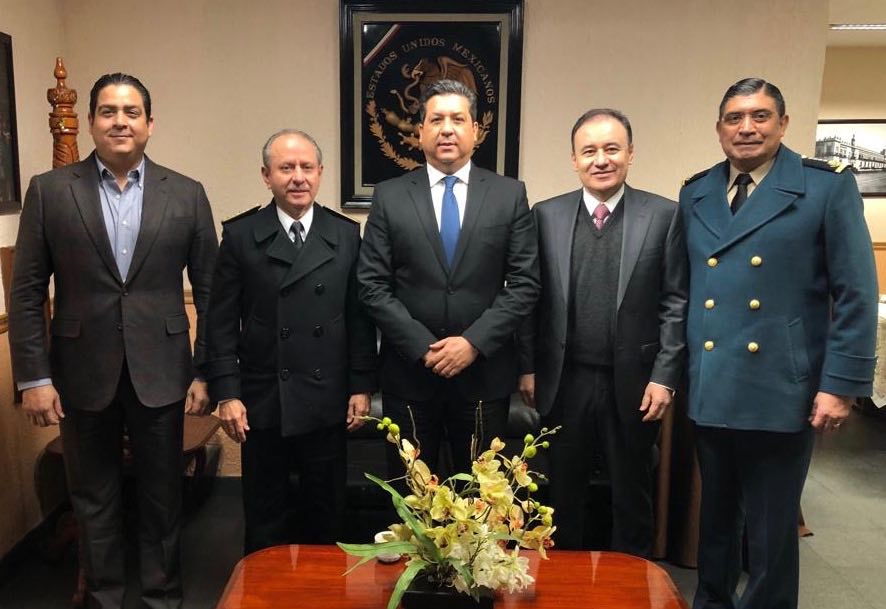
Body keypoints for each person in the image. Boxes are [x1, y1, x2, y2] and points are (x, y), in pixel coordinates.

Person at [9, 72, 218, 609]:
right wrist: (34, 378)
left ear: (150, 124)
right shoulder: (50, 191)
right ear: (91, 122)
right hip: (80, 375)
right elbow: (27, 292)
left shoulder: (187, 193)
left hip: (163, 374)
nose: (120, 122)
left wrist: (205, 371)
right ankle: (102, 598)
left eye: (131, 112)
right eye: (108, 111)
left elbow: (212, 294)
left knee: (161, 497)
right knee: (92, 499)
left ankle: (161, 598)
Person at [680, 77, 877, 609]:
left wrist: (840, 386)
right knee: (715, 524)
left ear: (783, 124)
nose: (746, 128)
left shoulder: (825, 188)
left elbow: (856, 293)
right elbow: (686, 290)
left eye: (760, 116)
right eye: (735, 118)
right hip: (713, 386)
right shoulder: (696, 192)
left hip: (780, 389)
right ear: (719, 128)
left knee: (770, 534)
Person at [517, 108, 687, 555]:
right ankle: (565, 584)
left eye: (612, 149)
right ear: (574, 159)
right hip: (564, 381)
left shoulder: (664, 215)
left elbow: (676, 302)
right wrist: (527, 368)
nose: (601, 159)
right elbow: (530, 300)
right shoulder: (546, 215)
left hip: (634, 383)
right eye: (589, 150)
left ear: (630, 153)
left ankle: (631, 584)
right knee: (562, 499)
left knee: (632, 496)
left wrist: (665, 375)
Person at [202, 130, 376, 553]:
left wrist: (361, 385)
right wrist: (227, 393)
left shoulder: (345, 235)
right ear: (266, 176)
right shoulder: (241, 236)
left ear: (320, 173)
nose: (298, 177)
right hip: (263, 401)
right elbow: (220, 323)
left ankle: (323, 589)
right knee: (266, 521)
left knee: (326, 518)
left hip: (327, 399)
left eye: (306, 167)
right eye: (286, 168)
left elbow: (358, 318)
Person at [357, 79, 539, 477]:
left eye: (458, 119)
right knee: (410, 493)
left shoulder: (509, 195)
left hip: (483, 377)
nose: (447, 129)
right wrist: (423, 347)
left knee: (479, 496)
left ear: (476, 130)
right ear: (420, 131)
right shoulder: (389, 196)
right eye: (436, 119)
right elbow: (371, 285)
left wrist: (473, 343)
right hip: (409, 376)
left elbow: (525, 284)